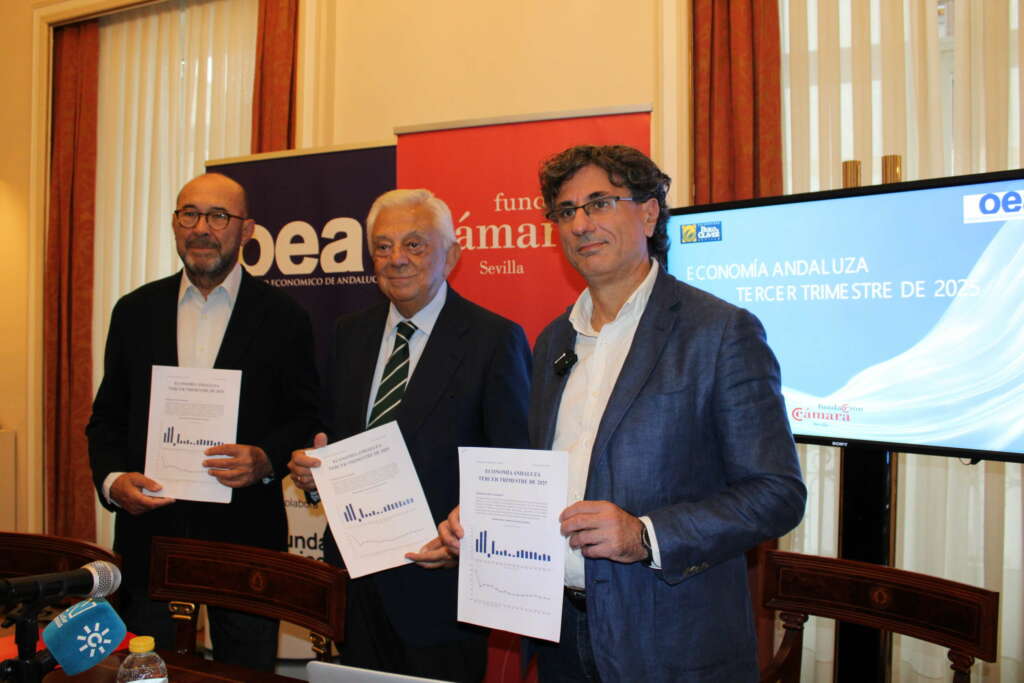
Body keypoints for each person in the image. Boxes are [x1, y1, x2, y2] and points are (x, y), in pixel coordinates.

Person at [441, 146, 806, 682]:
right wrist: (488, 515)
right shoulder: (553, 340)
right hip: (561, 633)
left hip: (670, 640)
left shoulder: (719, 331)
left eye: (599, 203)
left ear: (650, 213)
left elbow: (777, 494)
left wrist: (645, 534)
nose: (580, 224)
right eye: (566, 211)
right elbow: (549, 473)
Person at [288, 188, 531, 683]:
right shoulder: (348, 334)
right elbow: (333, 438)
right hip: (355, 583)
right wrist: (312, 471)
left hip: (439, 588)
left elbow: (513, 464)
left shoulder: (493, 339)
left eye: (415, 245)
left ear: (452, 255)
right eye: (383, 246)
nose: (396, 258)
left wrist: (467, 534)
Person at [87, 172, 320, 672]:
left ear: (247, 230)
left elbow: (305, 415)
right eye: (189, 214)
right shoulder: (133, 311)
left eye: (218, 216)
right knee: (145, 671)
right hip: (150, 535)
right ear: (174, 224)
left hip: (246, 535)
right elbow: (107, 416)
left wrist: (265, 459)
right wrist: (113, 481)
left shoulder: (286, 318)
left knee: (245, 673)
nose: (201, 228)